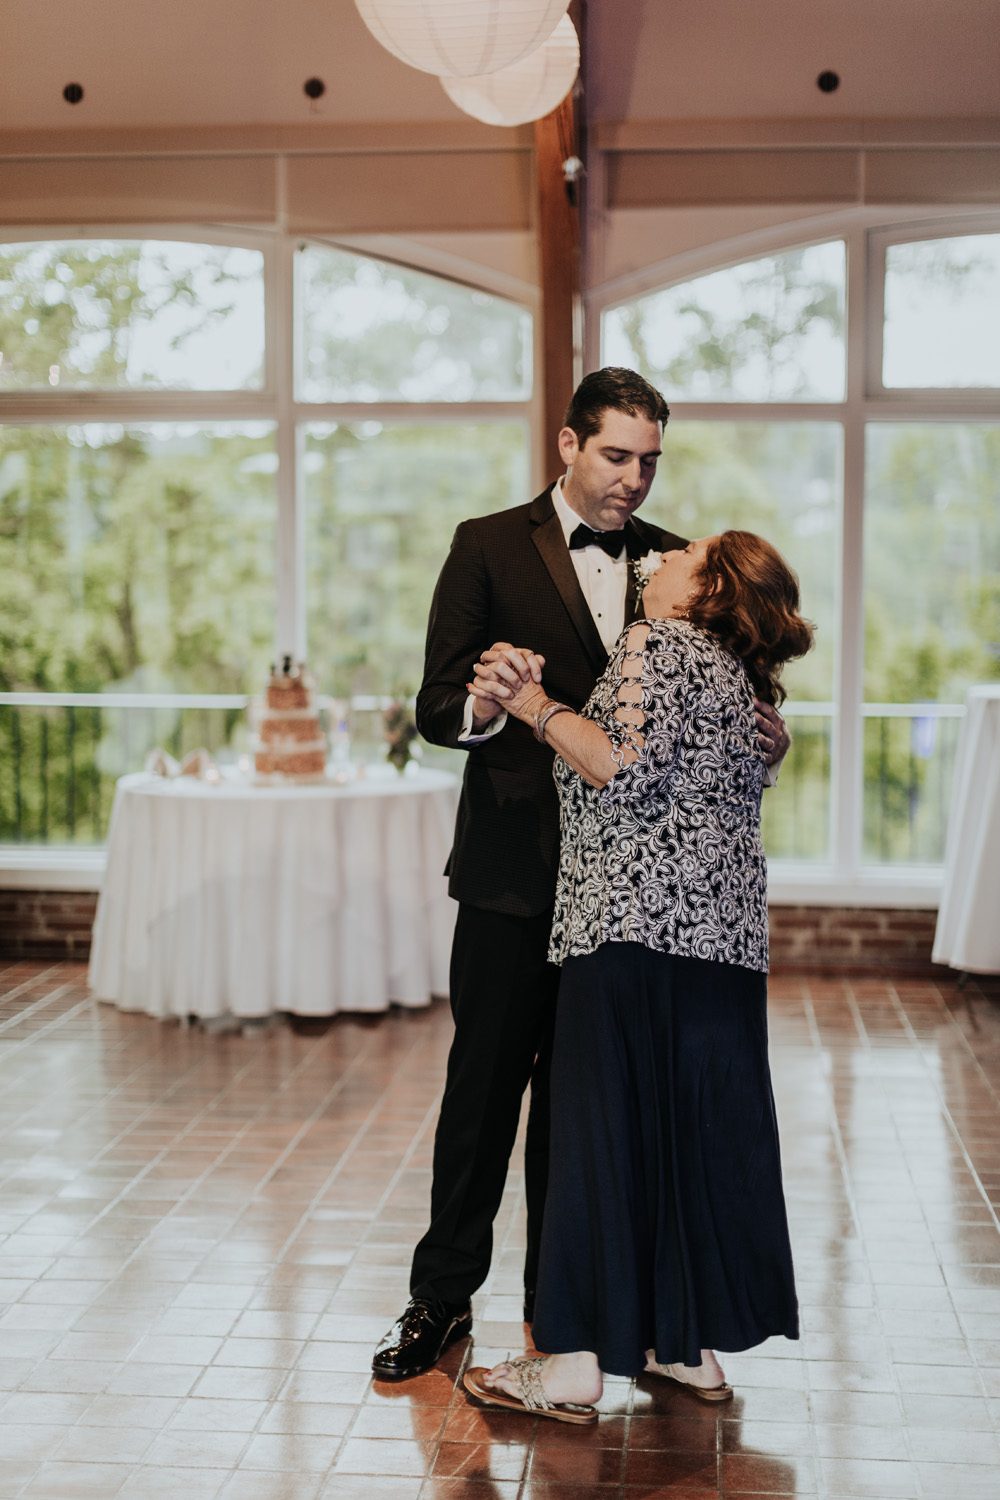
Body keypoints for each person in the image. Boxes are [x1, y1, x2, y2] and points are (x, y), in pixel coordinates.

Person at [372, 369, 790, 1381]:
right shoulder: (484, 544)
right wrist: (486, 702)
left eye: (650, 460)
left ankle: (562, 1322)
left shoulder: (673, 563)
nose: (634, 481)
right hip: (515, 881)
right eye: (615, 456)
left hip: (631, 912)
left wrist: (774, 726)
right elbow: (436, 705)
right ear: (566, 444)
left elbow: (728, 695)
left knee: (592, 1112)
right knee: (483, 1096)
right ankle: (439, 1301)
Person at [460, 530, 811, 1422]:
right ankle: (680, 1346)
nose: (666, 556)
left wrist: (538, 706)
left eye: (689, 554)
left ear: (705, 590)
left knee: (598, 1142)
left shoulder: (655, 642)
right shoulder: (739, 678)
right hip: (718, 953)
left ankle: (573, 1367)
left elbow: (619, 765)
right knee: (683, 1143)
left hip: (630, 936)